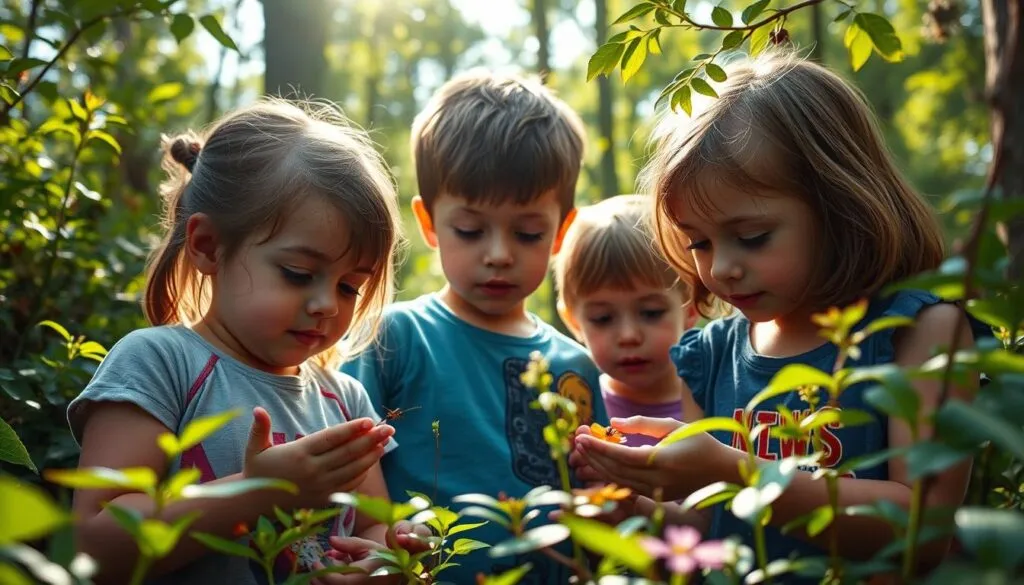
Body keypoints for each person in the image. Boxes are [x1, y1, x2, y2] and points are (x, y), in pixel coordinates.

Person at [572, 52, 984, 575]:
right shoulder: (712, 356)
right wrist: (636, 506)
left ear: (839, 205)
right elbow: (712, 528)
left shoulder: (919, 333)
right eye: (698, 242)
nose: (721, 268)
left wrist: (734, 471)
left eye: (752, 238)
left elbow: (923, 531)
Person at [67, 99, 420, 585]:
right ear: (208, 246)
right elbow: (95, 543)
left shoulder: (345, 400)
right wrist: (259, 489)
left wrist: (388, 559)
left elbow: (373, 523)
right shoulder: (158, 364)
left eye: (349, 286)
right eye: (298, 274)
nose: (327, 305)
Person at [341, 70, 607, 584]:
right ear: (428, 223)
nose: (499, 255)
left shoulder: (575, 365)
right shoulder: (395, 338)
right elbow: (349, 467)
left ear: (561, 231)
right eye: (469, 229)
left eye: (528, 232)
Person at [553, 194, 699, 447]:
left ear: (690, 309)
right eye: (603, 318)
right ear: (574, 322)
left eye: (651, 313)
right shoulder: (576, 406)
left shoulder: (714, 401)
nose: (629, 335)